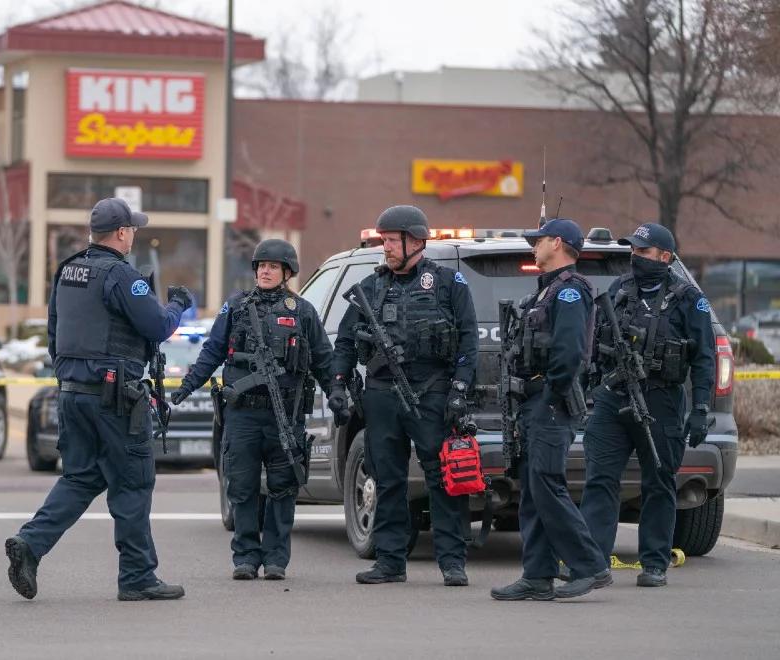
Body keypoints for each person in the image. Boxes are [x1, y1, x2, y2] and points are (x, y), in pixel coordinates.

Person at [5, 198, 192, 602]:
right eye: (133, 230)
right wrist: (178, 303)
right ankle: (138, 577)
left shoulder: (67, 270)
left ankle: (30, 544)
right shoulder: (122, 276)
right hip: (115, 399)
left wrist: (72, 376)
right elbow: (157, 326)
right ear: (122, 233)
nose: (134, 236)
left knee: (81, 477)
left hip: (73, 393)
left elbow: (54, 334)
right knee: (133, 483)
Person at [327, 205, 479, 587]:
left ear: (416, 241)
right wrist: (338, 383)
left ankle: (452, 562)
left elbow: (468, 341)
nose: (387, 248)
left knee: (441, 478)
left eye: (392, 240)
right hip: (380, 394)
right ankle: (391, 561)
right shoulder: (371, 287)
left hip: (432, 392)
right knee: (386, 477)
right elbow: (345, 341)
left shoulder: (449, 283)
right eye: (385, 241)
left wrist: (459, 389)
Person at [171, 239, 334, 580]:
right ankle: (245, 556)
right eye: (261, 265)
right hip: (242, 413)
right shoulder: (236, 307)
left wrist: (339, 394)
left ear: (286, 272)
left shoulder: (302, 311)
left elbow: (323, 360)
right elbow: (213, 352)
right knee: (241, 487)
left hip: (284, 415)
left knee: (282, 488)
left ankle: (276, 558)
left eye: (273, 266)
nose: (265, 270)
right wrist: (187, 387)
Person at [576, 222, 714, 587]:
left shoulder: (688, 298)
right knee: (600, 479)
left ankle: (654, 563)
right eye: (634, 250)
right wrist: (589, 383)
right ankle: (591, 563)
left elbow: (704, 358)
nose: (636, 257)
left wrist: (701, 408)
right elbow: (594, 343)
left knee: (659, 480)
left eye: (644, 251)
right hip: (613, 395)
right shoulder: (620, 290)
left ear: (665, 257)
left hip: (661, 399)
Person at [491, 218, 612, 601]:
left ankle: (590, 565)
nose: (533, 246)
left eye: (539, 240)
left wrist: (550, 396)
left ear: (557, 243)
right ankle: (537, 574)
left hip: (551, 402)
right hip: (534, 401)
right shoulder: (545, 293)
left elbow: (570, 353)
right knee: (532, 487)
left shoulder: (570, 292)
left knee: (546, 483)